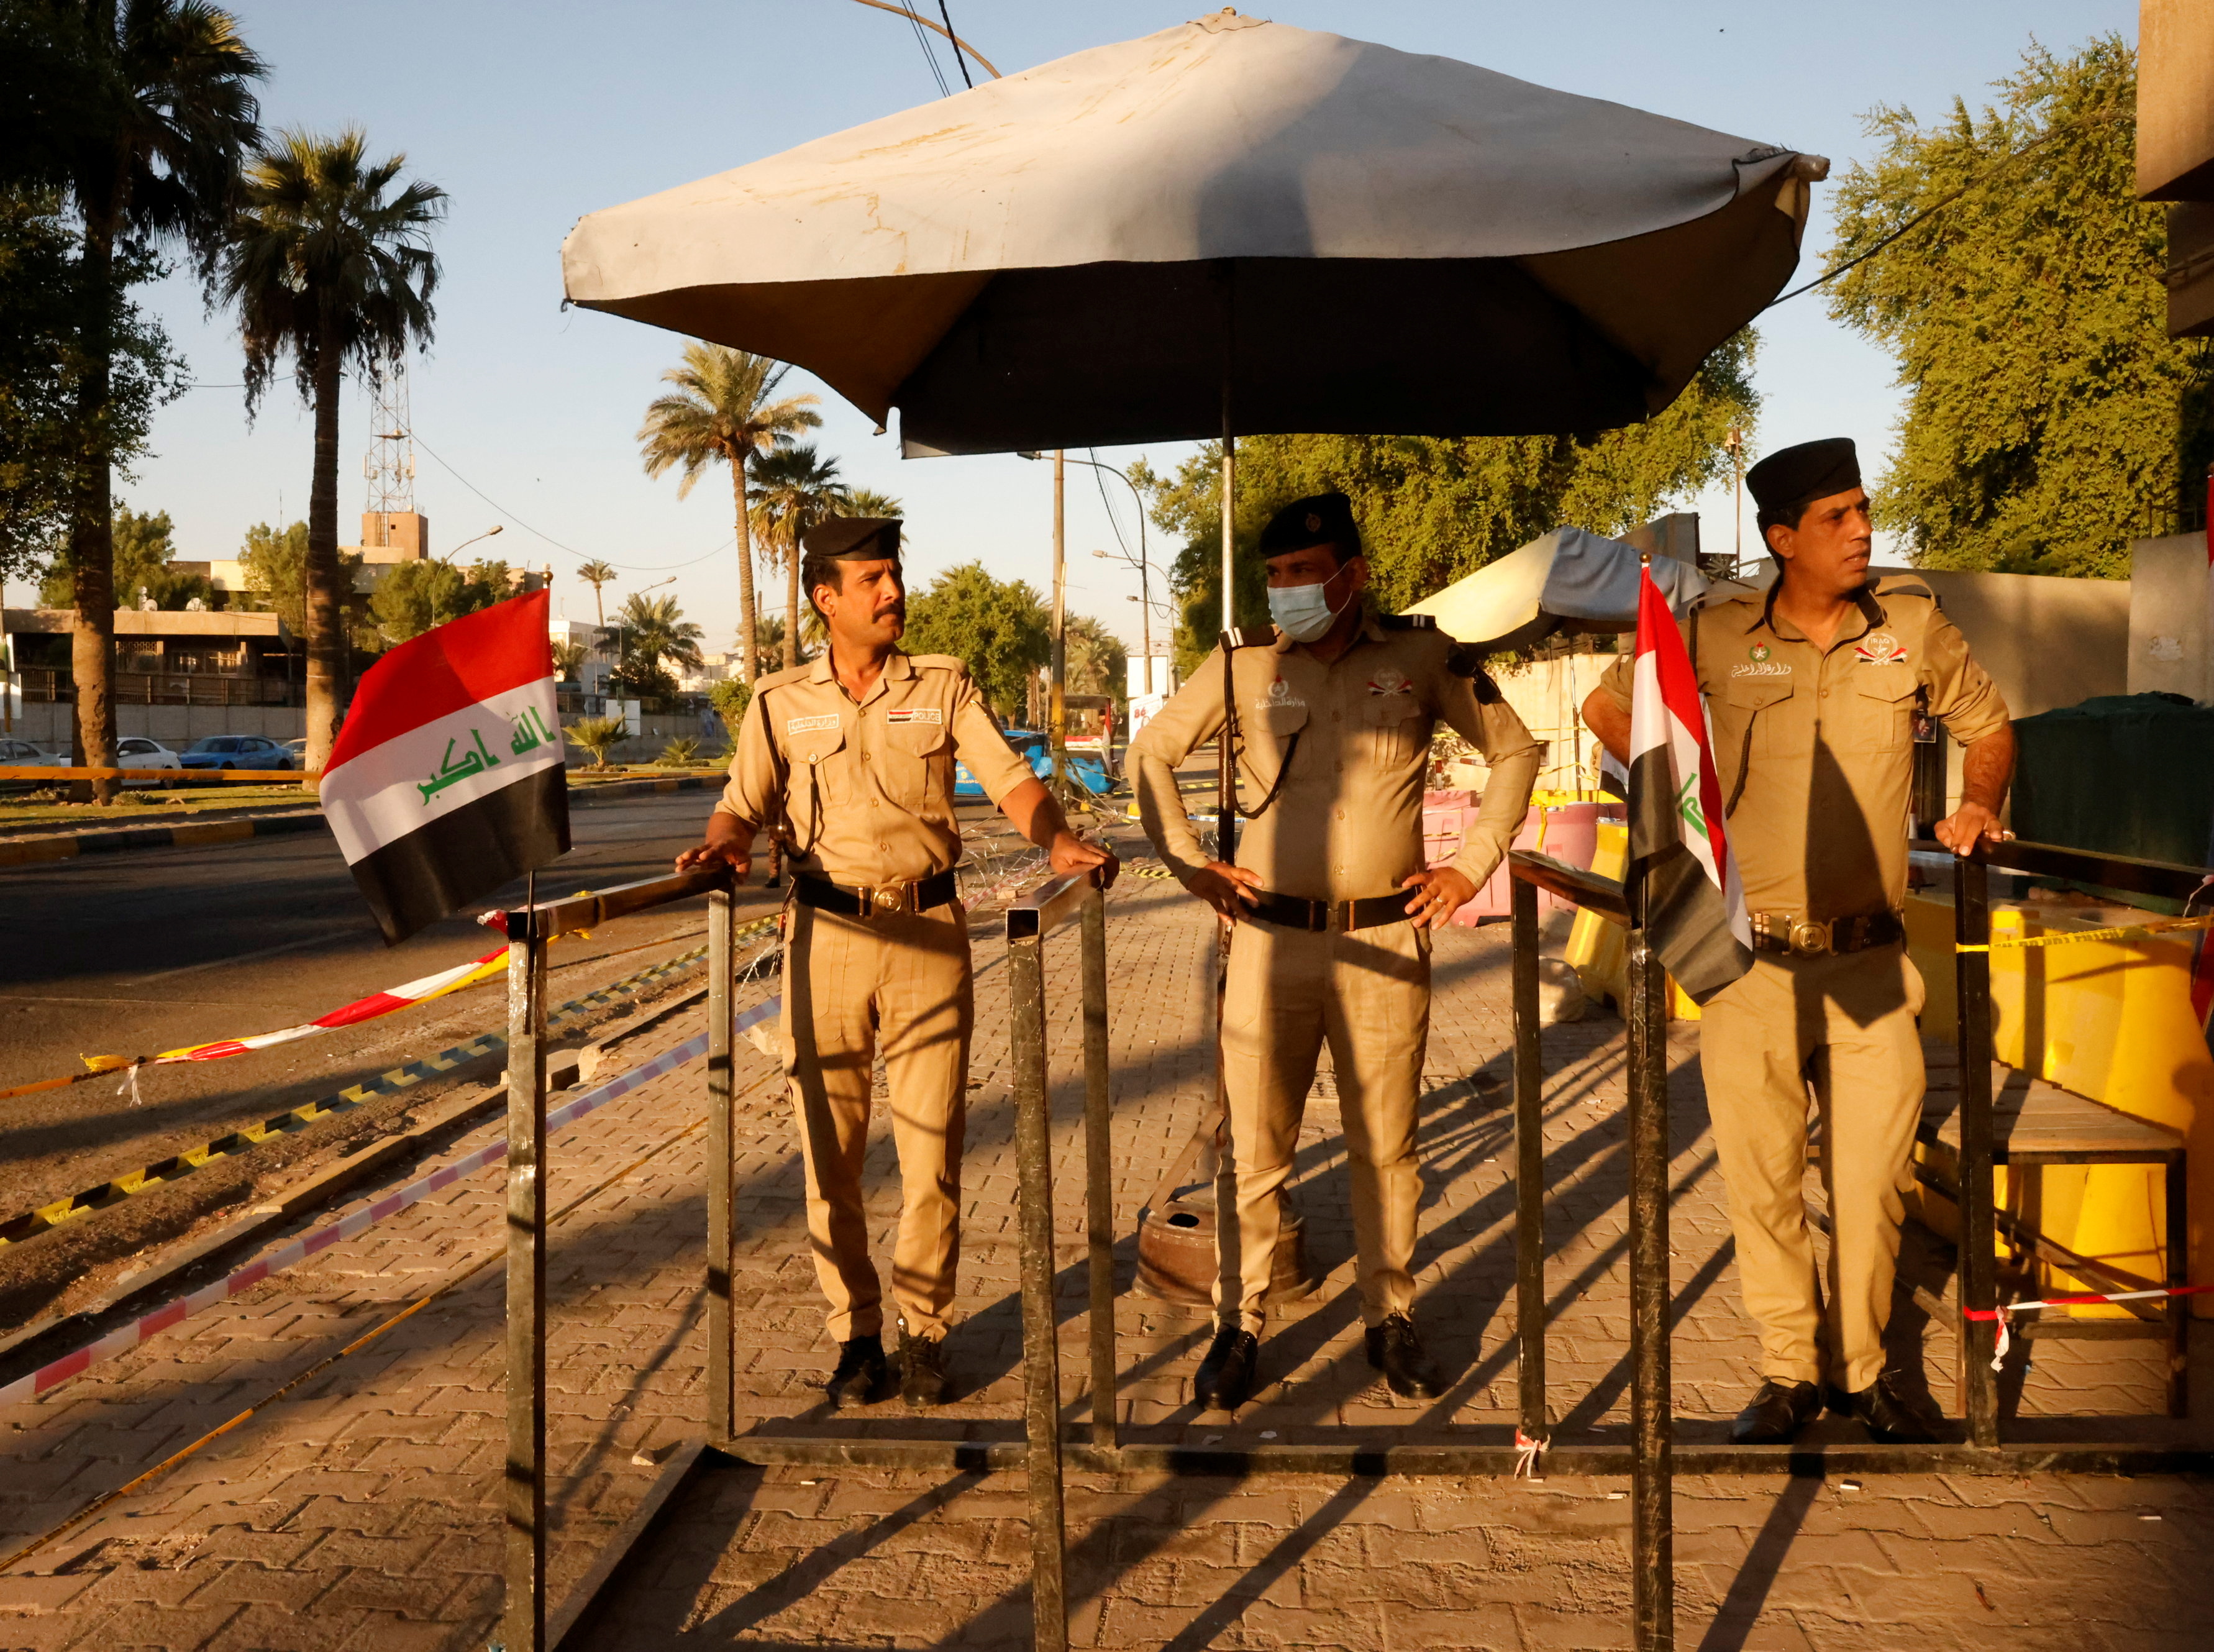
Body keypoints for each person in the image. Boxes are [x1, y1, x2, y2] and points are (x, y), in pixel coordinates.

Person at [1580, 437, 2015, 1445]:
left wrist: (1980, 802)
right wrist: (1675, 797)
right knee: (1764, 1181)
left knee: (1873, 1184)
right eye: (1836, 517)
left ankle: (1865, 1375)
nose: (1862, 530)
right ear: (1783, 538)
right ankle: (1788, 1374)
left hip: (1870, 960)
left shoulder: (1910, 626)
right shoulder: (1714, 630)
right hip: (1749, 960)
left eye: (1864, 510)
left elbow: (1989, 727)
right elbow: (1608, 704)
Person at [675, 516, 1118, 1408]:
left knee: (931, 1153)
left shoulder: (943, 686)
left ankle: (924, 1332)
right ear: (825, 599)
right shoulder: (777, 701)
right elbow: (742, 803)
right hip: (825, 940)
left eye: (895, 576)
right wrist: (722, 845)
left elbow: (1010, 778)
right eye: (872, 580)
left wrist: (1056, 838)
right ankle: (856, 1336)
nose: (893, 593)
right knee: (829, 1156)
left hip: (928, 934)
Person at [1128, 492, 1543, 1412]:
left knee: (1387, 1149)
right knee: (1255, 1149)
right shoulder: (1242, 665)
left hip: (1382, 940)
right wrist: (1190, 863)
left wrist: (1470, 866)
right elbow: (1150, 754)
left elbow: (1515, 752)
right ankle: (1240, 1325)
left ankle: (1390, 1319)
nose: (1285, 592)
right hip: (1269, 941)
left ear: (1352, 576)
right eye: (1275, 576)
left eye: (1304, 575)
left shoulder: (1424, 657)